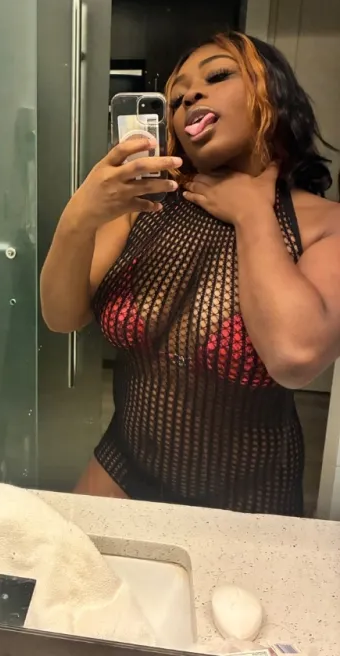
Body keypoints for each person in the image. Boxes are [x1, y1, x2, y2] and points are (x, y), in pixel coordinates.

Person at [40, 32, 340, 516]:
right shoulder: (145, 207)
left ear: (273, 94)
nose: (190, 97)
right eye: (176, 98)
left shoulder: (327, 224)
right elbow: (61, 316)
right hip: (120, 468)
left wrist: (253, 213)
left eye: (218, 76)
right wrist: (80, 215)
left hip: (248, 503)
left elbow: (294, 356)